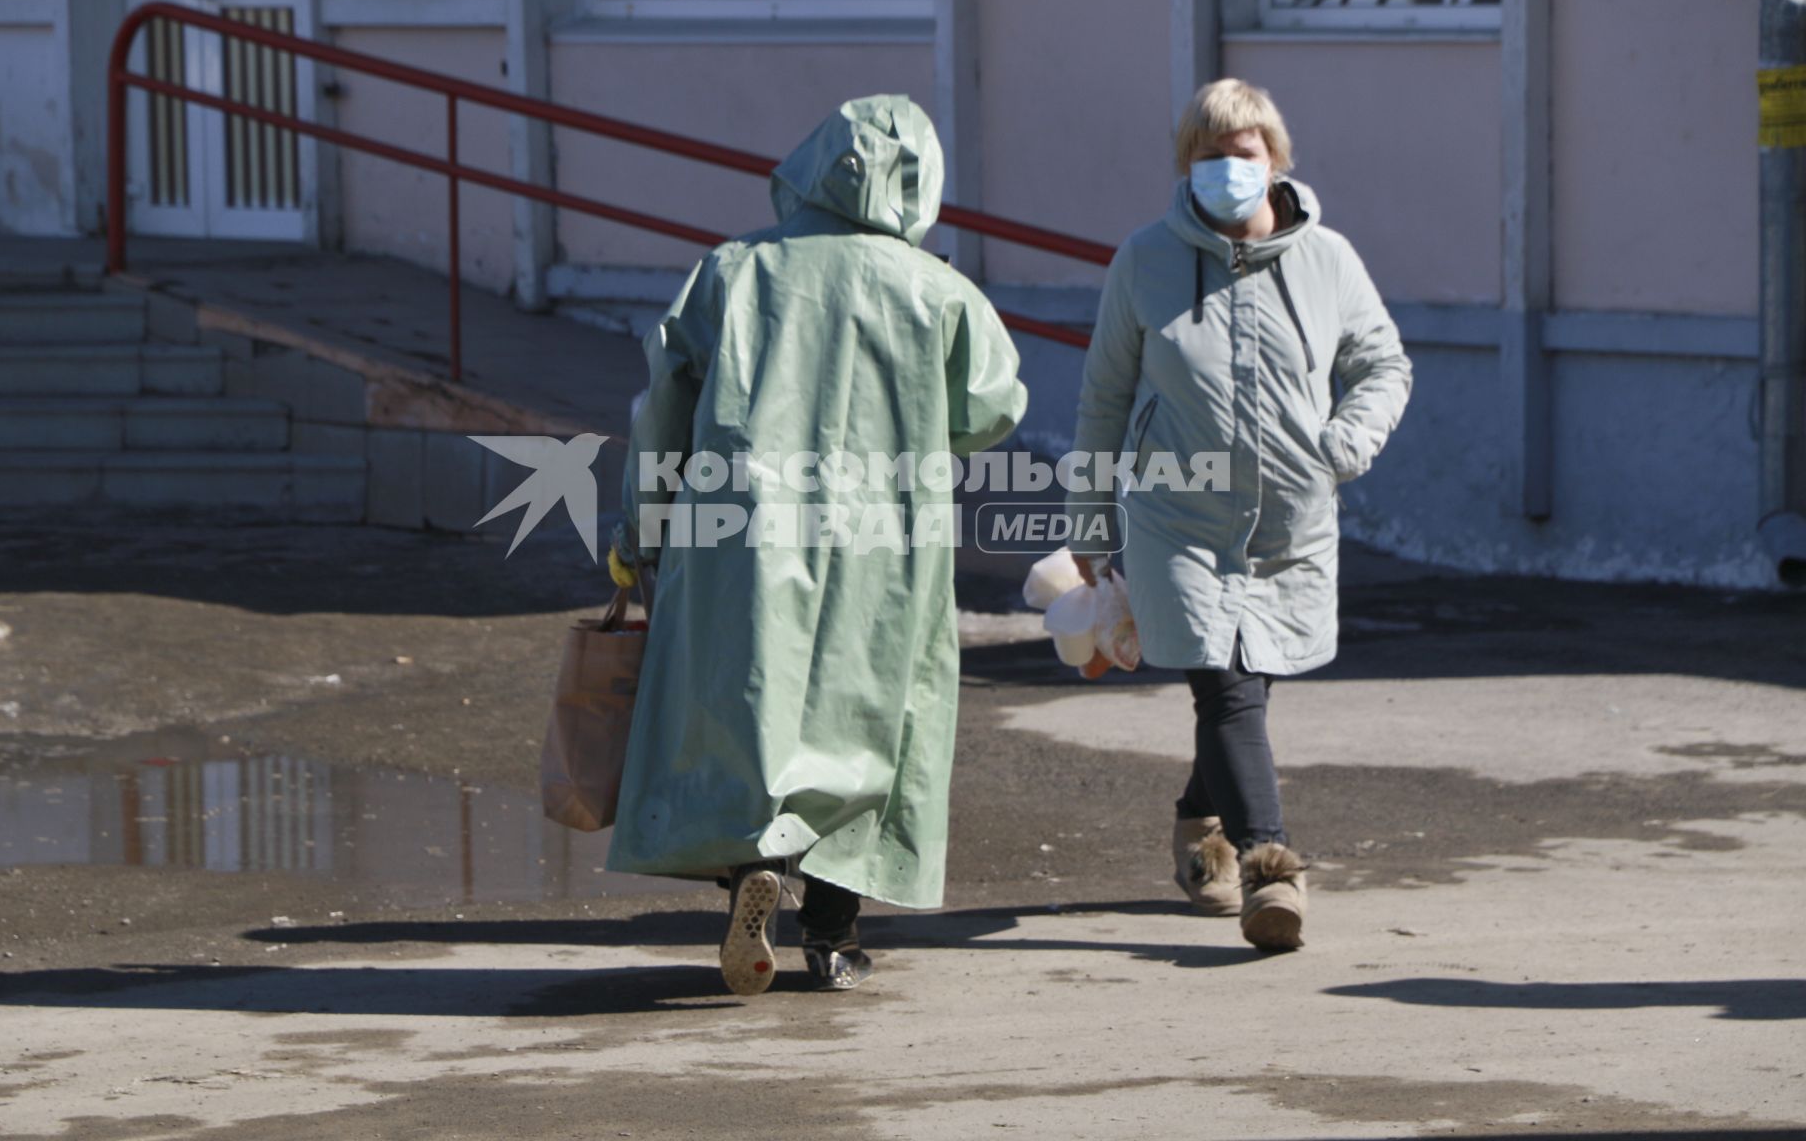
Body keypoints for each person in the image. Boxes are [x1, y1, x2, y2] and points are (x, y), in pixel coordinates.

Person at [605, 94, 1027, 994]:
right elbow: (990, 409)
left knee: (745, 703)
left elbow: (663, 408)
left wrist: (640, 528)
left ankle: (751, 876)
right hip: (885, 543)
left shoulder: (732, 272)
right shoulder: (937, 290)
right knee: (870, 718)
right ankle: (832, 937)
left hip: (739, 537)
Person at [1067, 78, 1412, 952]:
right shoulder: (1144, 258)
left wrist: (1342, 447)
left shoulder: (1328, 258)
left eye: (1243, 154)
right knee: (1222, 683)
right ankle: (1270, 868)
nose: (1227, 169)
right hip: (1175, 519)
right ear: (1186, 167)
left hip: (1285, 523)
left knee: (1244, 684)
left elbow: (1383, 366)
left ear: (1276, 162)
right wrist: (1090, 524)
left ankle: (1199, 823)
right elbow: (1105, 397)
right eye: (1208, 156)